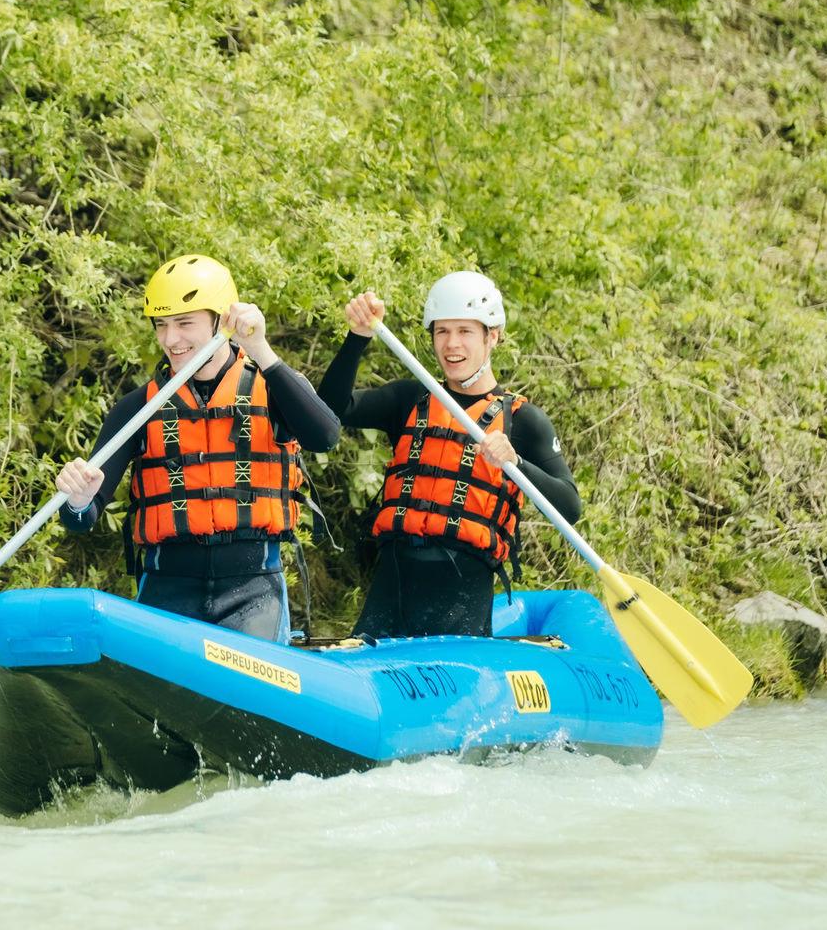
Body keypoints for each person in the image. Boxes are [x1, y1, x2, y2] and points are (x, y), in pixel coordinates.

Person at [54, 255, 342, 642]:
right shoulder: (138, 408)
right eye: (161, 325)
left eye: (185, 323)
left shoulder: (275, 387)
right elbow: (79, 519)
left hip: (254, 591)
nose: (171, 340)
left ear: (221, 321)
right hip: (167, 592)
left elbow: (324, 437)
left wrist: (259, 348)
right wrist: (76, 500)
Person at [319, 272, 580, 640]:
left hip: (461, 601)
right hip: (390, 591)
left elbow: (570, 507)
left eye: (465, 331)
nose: (451, 344)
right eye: (442, 331)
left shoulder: (523, 421)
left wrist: (516, 465)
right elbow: (328, 409)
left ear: (493, 336)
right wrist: (357, 337)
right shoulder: (411, 398)